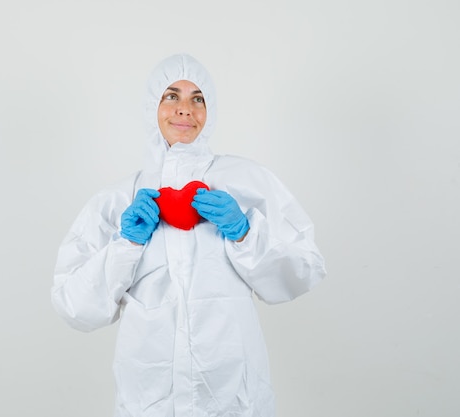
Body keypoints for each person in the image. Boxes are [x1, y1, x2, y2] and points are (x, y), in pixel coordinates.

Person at [51, 54, 326, 417]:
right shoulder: (117, 201)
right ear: (153, 106)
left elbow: (305, 268)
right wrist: (125, 245)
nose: (185, 109)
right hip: (149, 400)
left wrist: (246, 233)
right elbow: (75, 306)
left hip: (233, 398)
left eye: (198, 98)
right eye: (171, 96)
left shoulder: (246, 181)